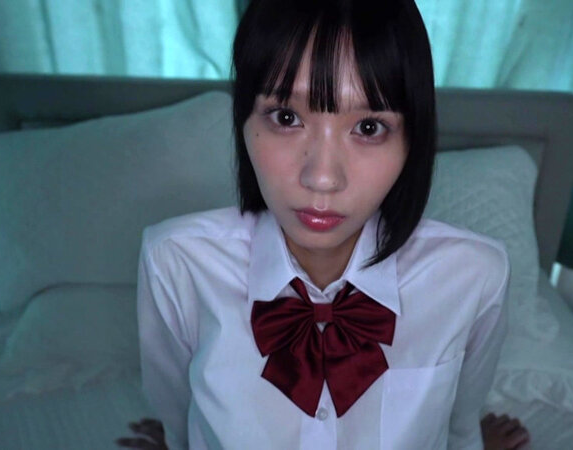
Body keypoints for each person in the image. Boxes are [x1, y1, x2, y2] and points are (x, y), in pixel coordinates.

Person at [118, 0, 530, 448]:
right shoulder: (175, 261)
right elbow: (178, 416)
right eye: (287, 117)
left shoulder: (474, 275)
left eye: (369, 128)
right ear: (244, 122)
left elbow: (459, 426)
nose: (322, 178)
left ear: (413, 139)